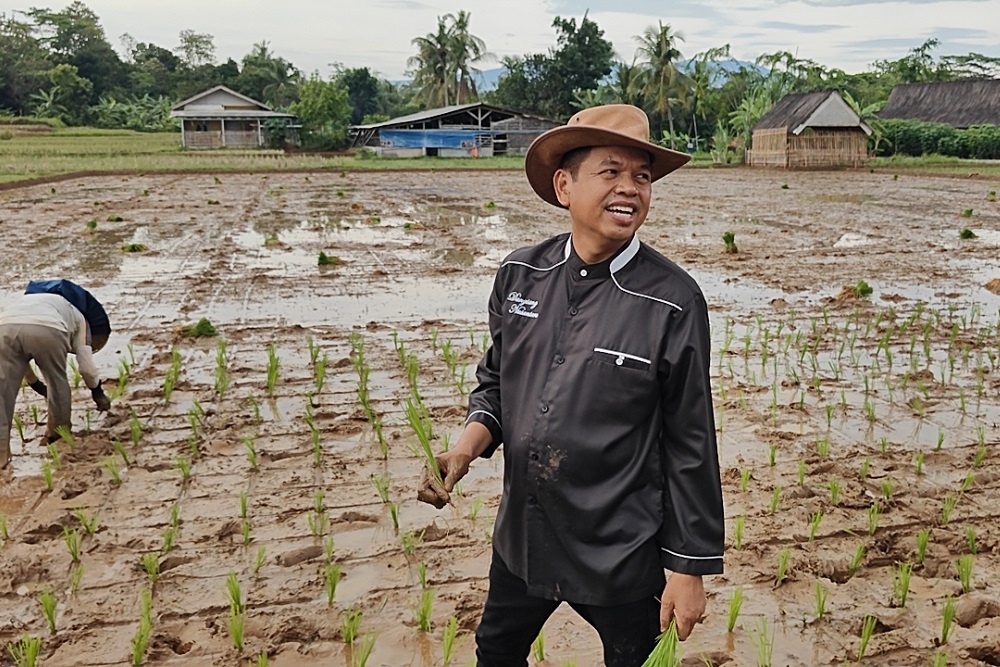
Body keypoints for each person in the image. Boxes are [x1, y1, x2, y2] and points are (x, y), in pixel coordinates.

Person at [418, 104, 724, 666]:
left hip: (619, 548)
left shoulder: (671, 301)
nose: (629, 189)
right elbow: (497, 384)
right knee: (496, 652)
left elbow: (690, 442)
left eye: (642, 176)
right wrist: (465, 447)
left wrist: (687, 568)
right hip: (525, 537)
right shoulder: (519, 276)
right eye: (611, 172)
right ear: (565, 185)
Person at [0, 279, 112, 470]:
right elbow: (86, 366)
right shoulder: (81, 319)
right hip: (49, 328)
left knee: (3, 391)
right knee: (57, 381)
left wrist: (36, 386)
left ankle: (2, 454)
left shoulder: (31, 300)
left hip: (5, 326)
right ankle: (57, 436)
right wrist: (97, 393)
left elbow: (21, 362)